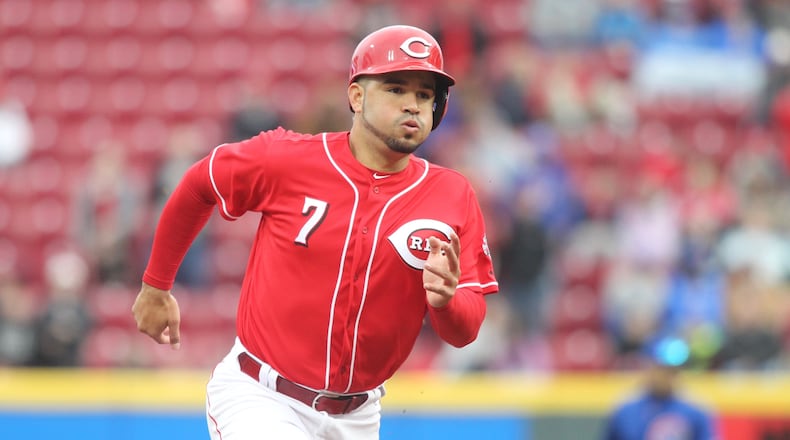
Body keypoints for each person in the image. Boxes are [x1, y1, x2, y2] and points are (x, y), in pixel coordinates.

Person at [132, 25, 499, 440]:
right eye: (396, 89)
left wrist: (447, 302)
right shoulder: (288, 159)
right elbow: (201, 183)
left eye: (424, 94)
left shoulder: (452, 195)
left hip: (359, 416)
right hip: (263, 397)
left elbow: (464, 331)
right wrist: (156, 286)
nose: (412, 105)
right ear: (357, 97)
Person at [601, 337, 717, 440]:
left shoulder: (695, 410)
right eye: (662, 369)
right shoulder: (626, 410)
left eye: (673, 371)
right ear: (648, 367)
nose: (668, 376)